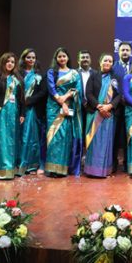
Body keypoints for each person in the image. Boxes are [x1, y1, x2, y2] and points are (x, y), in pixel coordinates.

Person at [44, 47, 83, 177]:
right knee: (53, 137)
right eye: (59, 56)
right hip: (53, 107)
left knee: (65, 138)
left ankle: (62, 168)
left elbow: (77, 89)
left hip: (68, 106)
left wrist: (65, 99)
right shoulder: (51, 72)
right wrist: (61, 101)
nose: (62, 58)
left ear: (68, 58)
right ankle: (52, 168)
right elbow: (51, 87)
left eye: (64, 56)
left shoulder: (74, 73)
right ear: (56, 58)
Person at [83, 53, 121, 178]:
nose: (107, 63)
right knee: (94, 141)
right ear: (100, 62)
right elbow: (88, 93)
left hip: (109, 114)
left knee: (106, 142)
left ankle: (104, 170)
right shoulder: (94, 76)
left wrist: (109, 106)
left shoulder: (116, 78)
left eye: (110, 61)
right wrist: (99, 106)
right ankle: (91, 170)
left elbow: (119, 96)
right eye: (105, 60)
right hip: (95, 113)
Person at [17, 48, 47, 176]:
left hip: (32, 110)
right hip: (17, 109)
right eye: (28, 57)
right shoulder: (17, 73)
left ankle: (30, 164)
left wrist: (29, 101)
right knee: (18, 136)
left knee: (31, 137)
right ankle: (17, 163)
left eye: (33, 58)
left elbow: (43, 93)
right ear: (24, 58)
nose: (31, 60)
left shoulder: (39, 75)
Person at [112, 41, 132, 171]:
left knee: (129, 136)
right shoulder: (113, 67)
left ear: (130, 52)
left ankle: (127, 163)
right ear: (118, 52)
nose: (125, 52)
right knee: (115, 135)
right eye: (122, 50)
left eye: (127, 50)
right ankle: (113, 163)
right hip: (117, 106)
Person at [77, 49, 95, 135]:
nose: (85, 59)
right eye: (82, 57)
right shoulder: (74, 73)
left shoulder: (96, 74)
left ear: (90, 60)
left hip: (92, 106)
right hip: (77, 105)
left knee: (90, 131)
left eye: (87, 57)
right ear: (78, 60)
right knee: (78, 131)